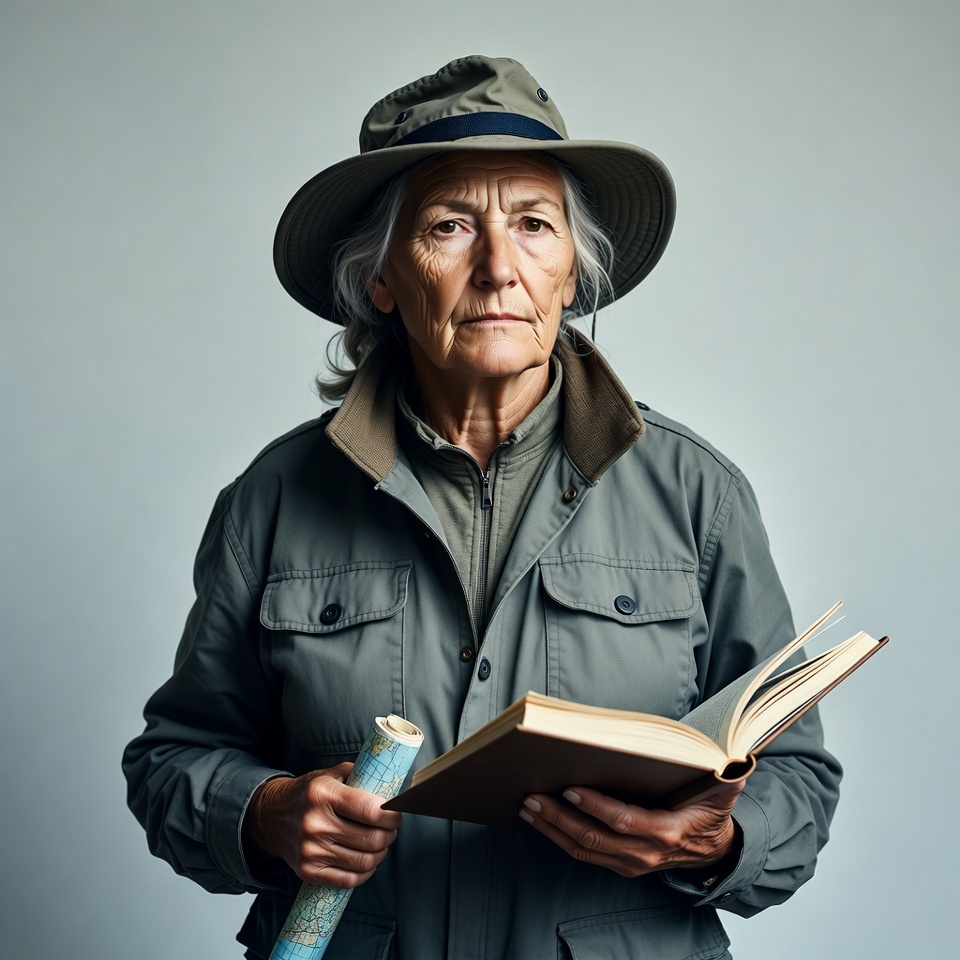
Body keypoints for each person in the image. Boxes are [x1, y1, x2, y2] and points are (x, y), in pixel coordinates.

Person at [123, 55, 841, 960]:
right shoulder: (272, 500)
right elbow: (174, 760)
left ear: (572, 274)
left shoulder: (700, 494)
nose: (500, 267)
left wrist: (719, 841)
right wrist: (264, 814)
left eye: (535, 226)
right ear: (382, 278)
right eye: (451, 225)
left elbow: (798, 779)